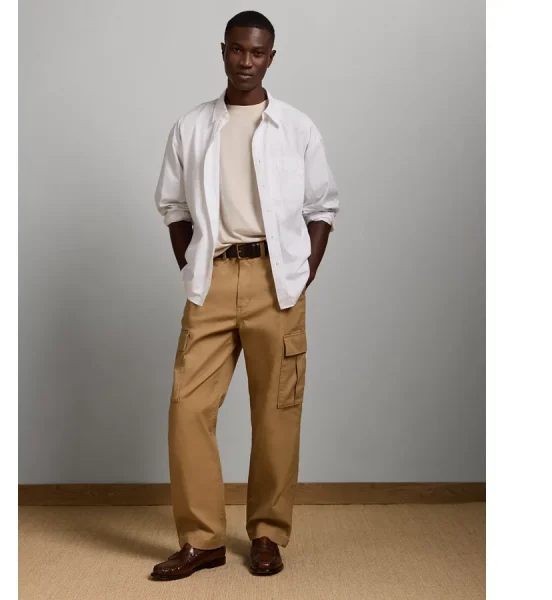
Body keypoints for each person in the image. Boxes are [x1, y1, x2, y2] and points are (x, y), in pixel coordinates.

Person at [151, 10, 339, 581]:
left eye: (257, 52)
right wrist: (191, 265)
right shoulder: (191, 127)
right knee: (188, 408)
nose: (246, 61)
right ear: (224, 51)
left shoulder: (297, 128)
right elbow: (173, 207)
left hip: (276, 283)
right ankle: (202, 540)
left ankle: (267, 534)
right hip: (211, 280)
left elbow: (322, 207)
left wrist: (303, 272)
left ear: (271, 58)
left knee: (276, 412)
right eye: (237, 50)